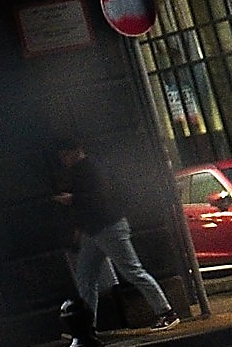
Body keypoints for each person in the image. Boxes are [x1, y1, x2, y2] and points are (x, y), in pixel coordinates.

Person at [53, 141, 180, 330]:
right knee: (87, 278)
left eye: (65, 155)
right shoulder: (86, 168)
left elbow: (100, 198)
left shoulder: (91, 169)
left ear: (76, 151)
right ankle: (86, 326)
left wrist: (73, 199)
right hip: (96, 230)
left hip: (107, 227)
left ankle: (166, 312)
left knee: (130, 271)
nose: (64, 160)